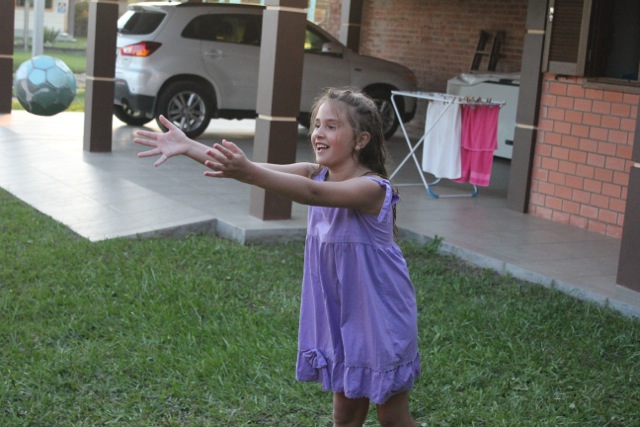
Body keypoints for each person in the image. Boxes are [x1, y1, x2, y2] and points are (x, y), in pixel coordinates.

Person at [134, 88, 420, 427]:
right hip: (341, 317)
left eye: (331, 126)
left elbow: (311, 194)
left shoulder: (371, 188)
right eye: (317, 124)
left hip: (379, 317)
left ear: (361, 140)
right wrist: (189, 146)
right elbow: (248, 168)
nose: (318, 133)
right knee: (344, 416)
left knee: (392, 418)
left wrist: (245, 171)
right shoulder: (314, 172)